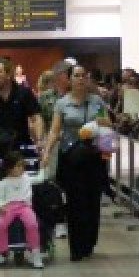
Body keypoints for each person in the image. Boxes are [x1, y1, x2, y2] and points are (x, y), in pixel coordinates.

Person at [43, 64, 110, 260]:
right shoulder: (62, 104)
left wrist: (106, 153)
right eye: (76, 75)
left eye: (83, 75)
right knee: (74, 201)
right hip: (71, 157)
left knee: (92, 200)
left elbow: (107, 126)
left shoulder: (97, 101)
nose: (80, 79)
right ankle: (77, 246)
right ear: (69, 79)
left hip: (94, 157)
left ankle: (89, 241)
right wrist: (47, 152)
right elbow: (55, 131)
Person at [0, 151, 43, 269]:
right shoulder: (3, 183)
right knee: (0, 226)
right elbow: (0, 199)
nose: (21, 168)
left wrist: (43, 165)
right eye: (17, 165)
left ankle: (35, 253)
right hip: (8, 207)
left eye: (22, 165)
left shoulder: (26, 178)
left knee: (32, 224)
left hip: (24, 207)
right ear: (9, 168)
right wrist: (1, 207)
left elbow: (40, 178)